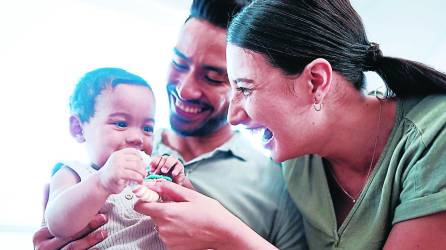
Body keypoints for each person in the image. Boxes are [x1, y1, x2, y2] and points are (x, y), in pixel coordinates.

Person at [133, 0, 446, 249]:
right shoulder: (296, 166)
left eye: (244, 88)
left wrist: (227, 235)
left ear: (315, 81)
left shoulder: (436, 136)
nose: (233, 116)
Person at [33, 1, 307, 249]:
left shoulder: (277, 186)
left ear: (244, 87)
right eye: (179, 62)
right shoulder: (101, 158)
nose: (185, 90)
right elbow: (57, 224)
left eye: (212, 78)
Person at [44, 67, 191, 249]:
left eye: (147, 128)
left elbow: (197, 217)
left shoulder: (153, 174)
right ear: (78, 128)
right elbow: (58, 224)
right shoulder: (73, 173)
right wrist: (101, 182)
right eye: (121, 124)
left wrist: (180, 184)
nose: (137, 137)